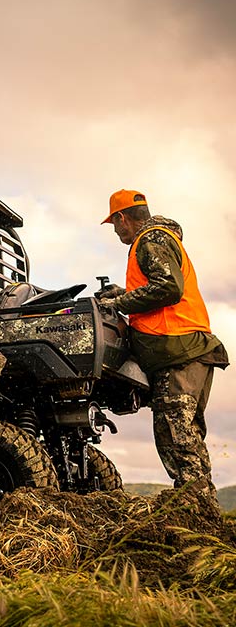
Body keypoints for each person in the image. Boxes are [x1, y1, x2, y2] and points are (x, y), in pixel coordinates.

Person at [98, 190, 228, 496]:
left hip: (178, 350)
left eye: (114, 224)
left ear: (122, 218)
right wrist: (122, 292)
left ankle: (193, 512)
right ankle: (199, 511)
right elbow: (157, 285)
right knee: (185, 437)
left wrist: (121, 302)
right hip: (187, 350)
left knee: (176, 439)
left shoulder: (150, 240)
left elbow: (168, 288)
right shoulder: (160, 240)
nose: (115, 230)